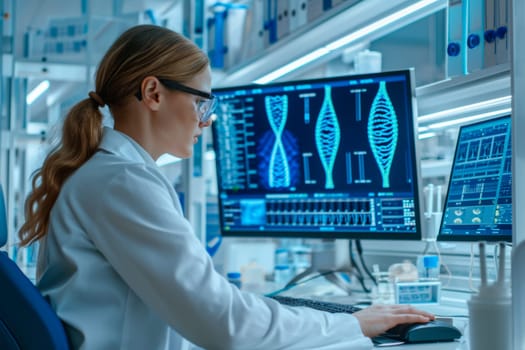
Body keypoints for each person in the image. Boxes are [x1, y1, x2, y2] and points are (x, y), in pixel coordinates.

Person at [18, 24, 433, 350]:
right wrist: (351, 324)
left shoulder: (110, 175)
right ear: (153, 93)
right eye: (203, 102)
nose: (207, 119)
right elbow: (223, 323)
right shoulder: (121, 181)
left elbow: (209, 310)